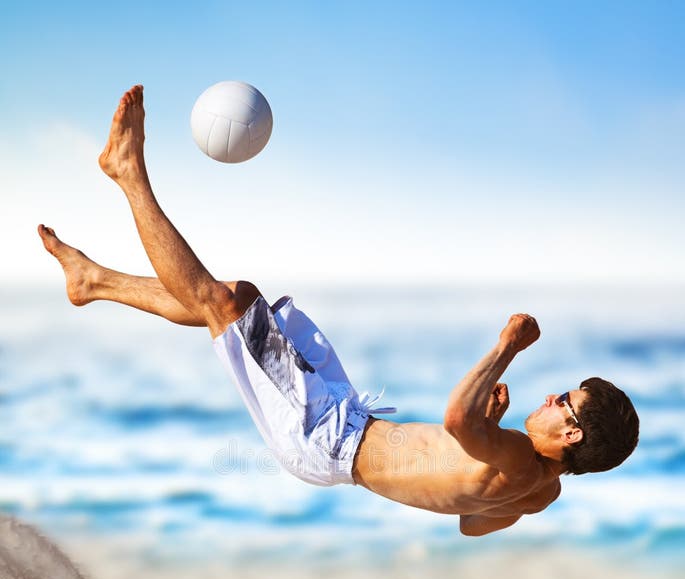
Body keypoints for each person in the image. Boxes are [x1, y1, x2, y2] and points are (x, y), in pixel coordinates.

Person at [38, 85, 639, 536]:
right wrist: (484, 438)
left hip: (325, 438)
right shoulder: (541, 492)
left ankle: (128, 175)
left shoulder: (517, 460)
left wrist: (508, 347)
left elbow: (456, 421)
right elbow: (470, 523)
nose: (552, 398)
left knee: (221, 302)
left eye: (564, 402)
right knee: (241, 304)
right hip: (347, 425)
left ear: (572, 433)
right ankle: (92, 281)